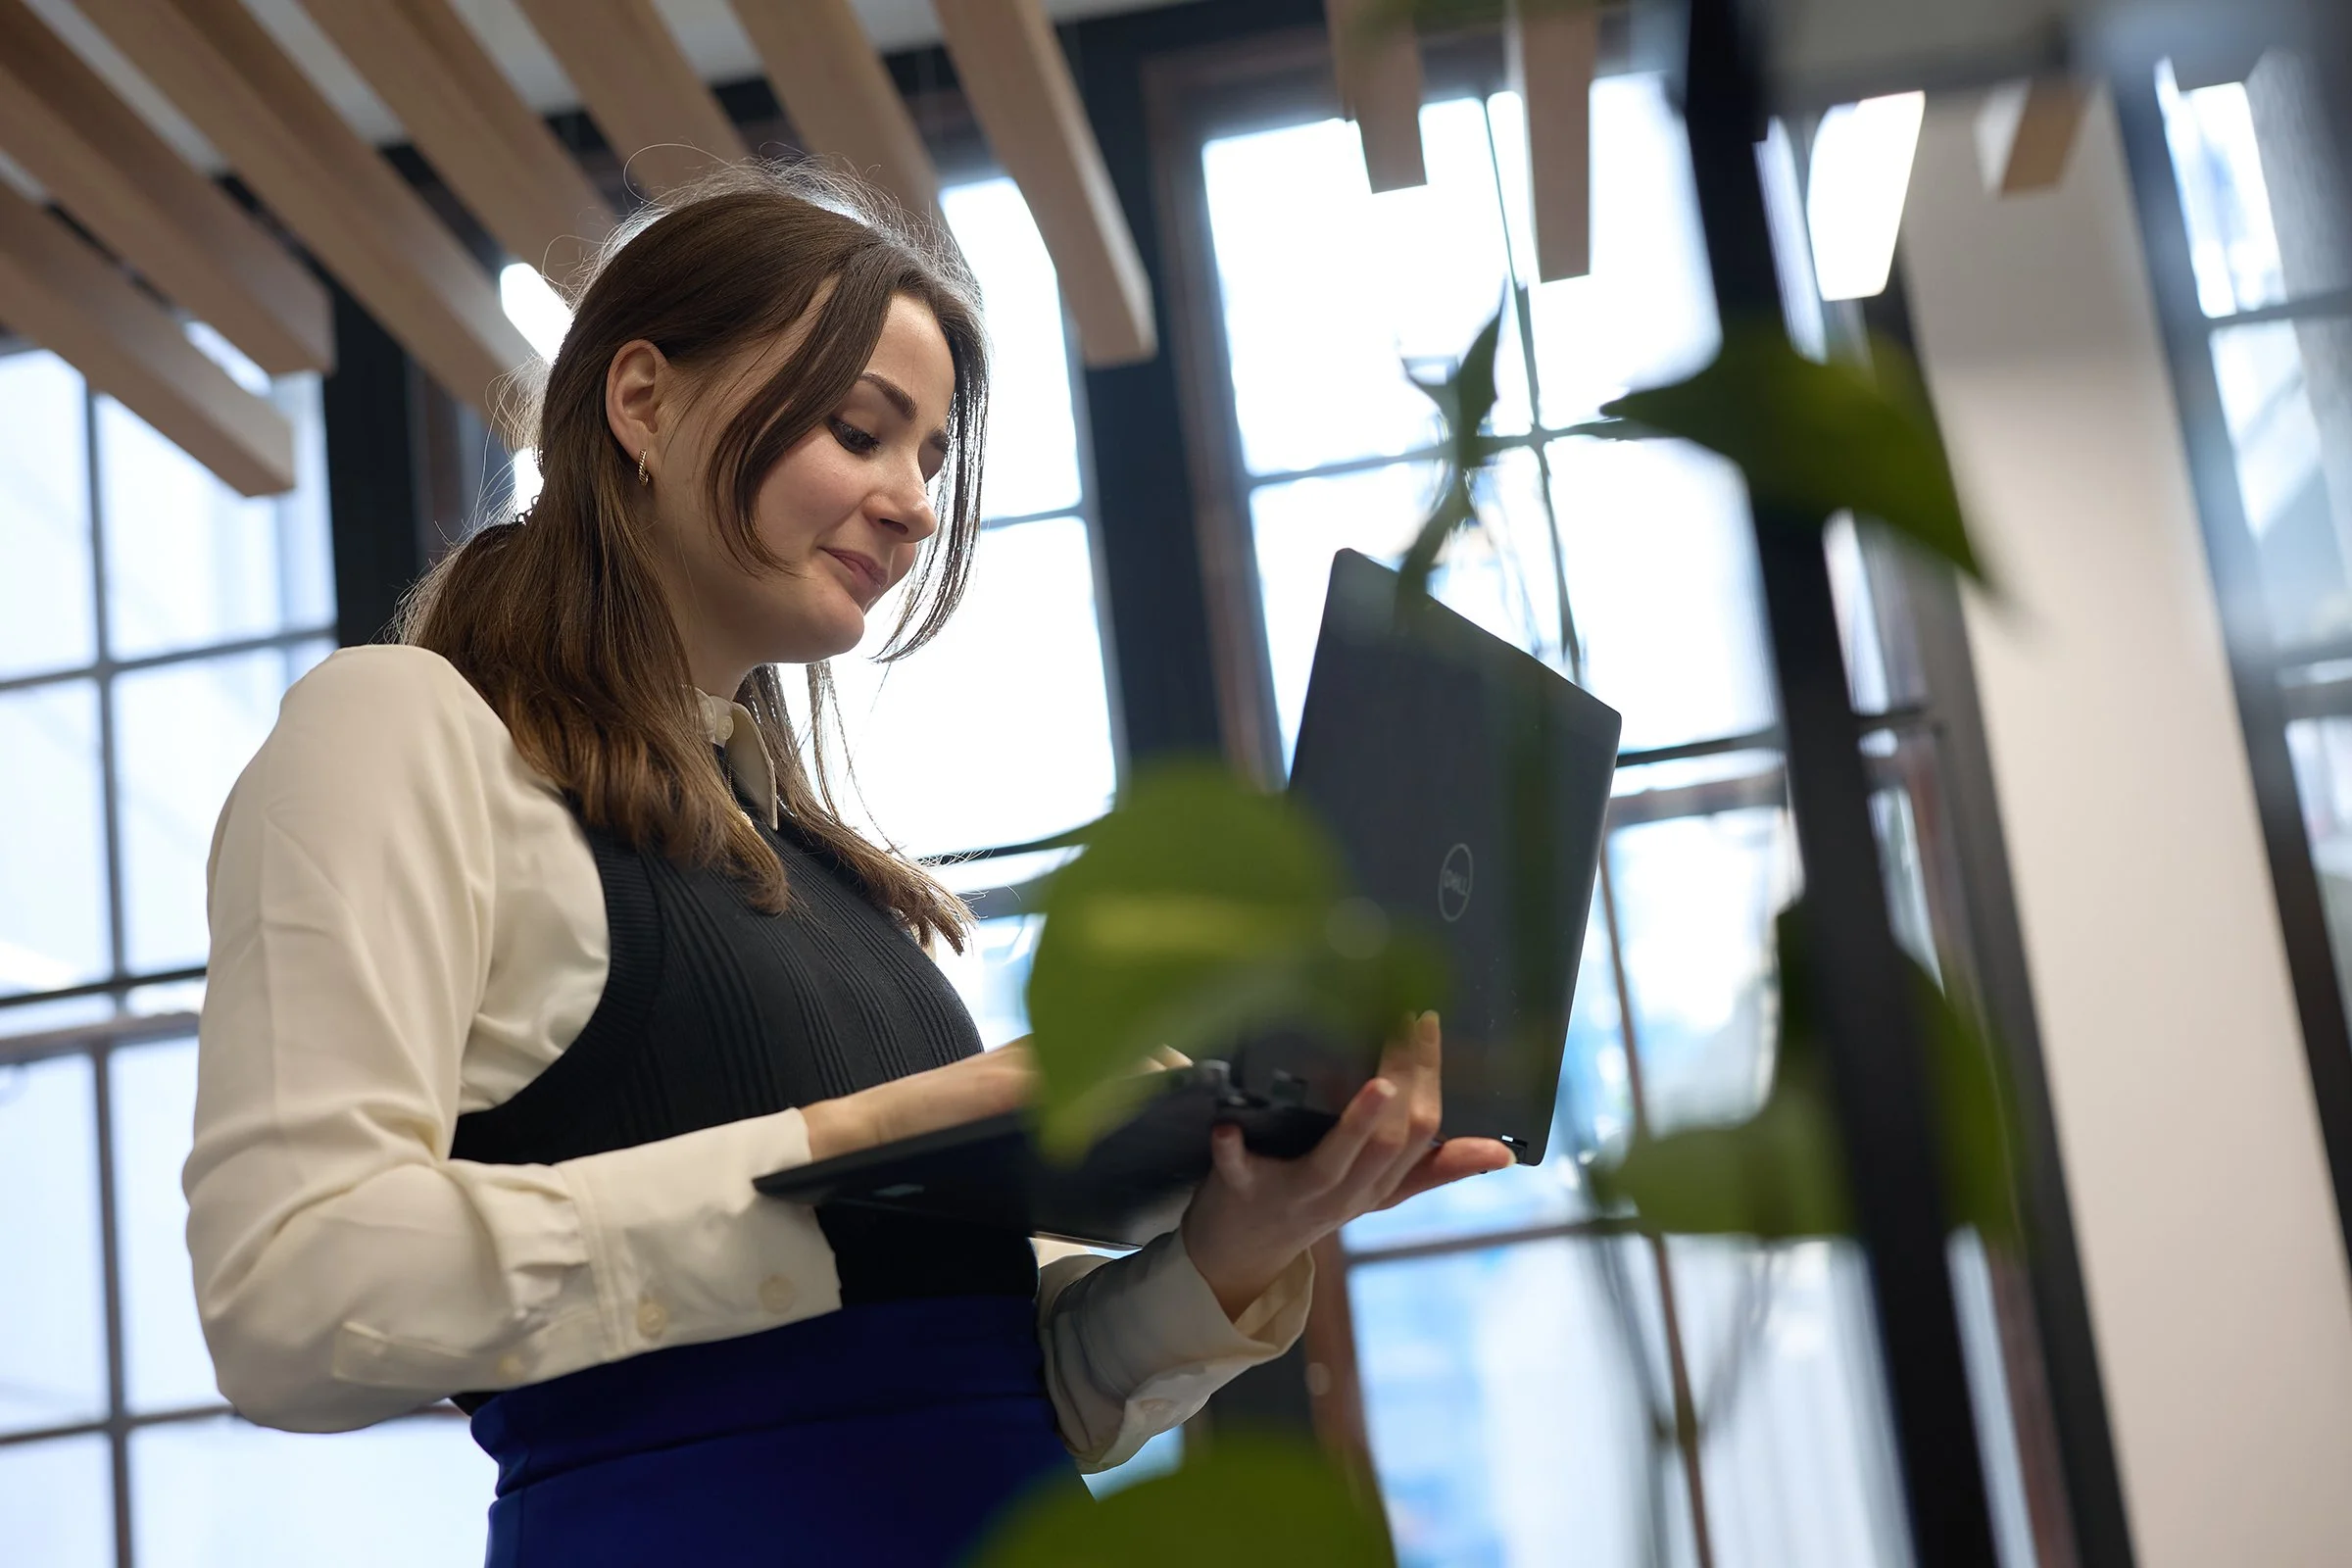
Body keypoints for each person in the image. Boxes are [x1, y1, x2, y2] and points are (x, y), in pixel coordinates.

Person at [186, 165, 1514, 1565]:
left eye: (930, 460)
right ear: (641, 402)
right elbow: (288, 1295)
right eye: (859, 431)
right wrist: (851, 1144)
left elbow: (1016, 1389)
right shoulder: (401, 731)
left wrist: (1241, 1240)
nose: (912, 505)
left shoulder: (832, 877)